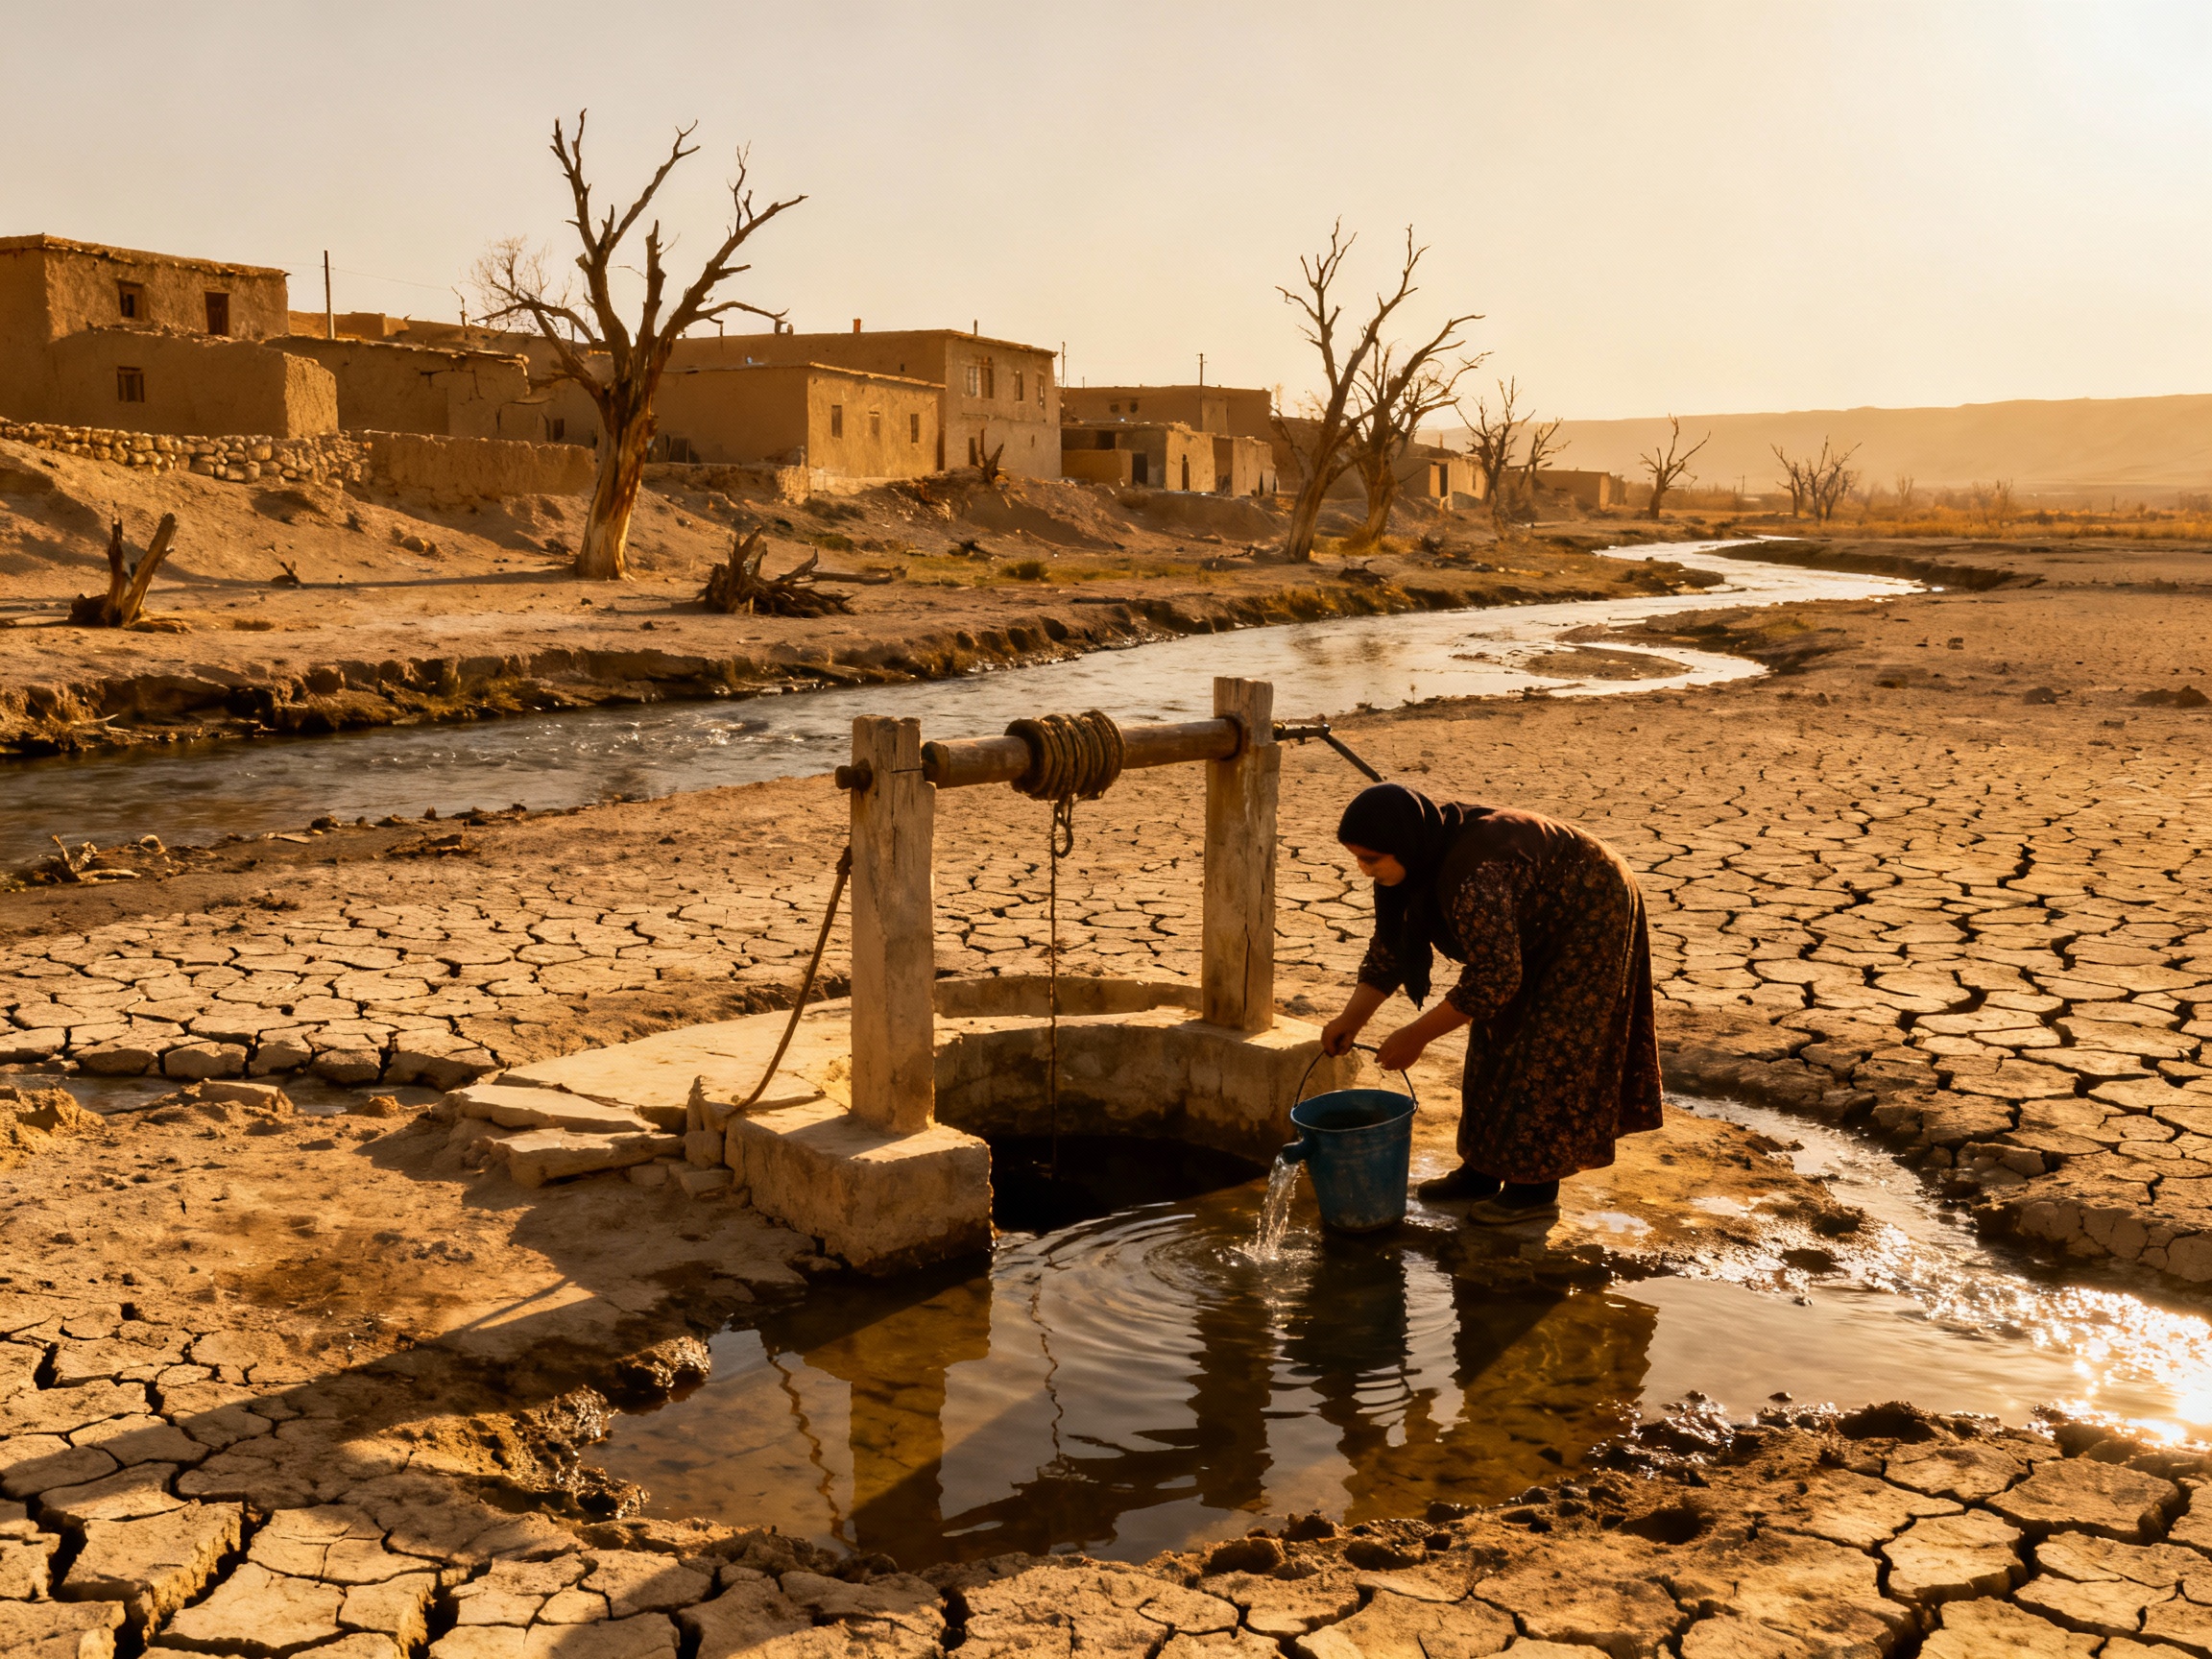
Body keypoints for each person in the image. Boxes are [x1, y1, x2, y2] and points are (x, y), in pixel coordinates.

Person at [1321, 782, 1663, 1226]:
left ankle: (1533, 1189)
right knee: (1492, 1039)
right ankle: (1482, 1169)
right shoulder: (1412, 865)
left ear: (1401, 846)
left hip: (1590, 909)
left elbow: (1495, 977)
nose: (1364, 870)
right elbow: (1391, 951)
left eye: (1370, 859)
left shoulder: (1473, 874)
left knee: (1548, 1047)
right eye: (1358, 859)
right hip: (1533, 907)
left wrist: (1416, 1035)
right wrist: (1351, 1019)